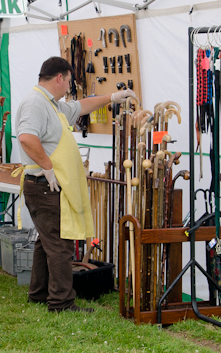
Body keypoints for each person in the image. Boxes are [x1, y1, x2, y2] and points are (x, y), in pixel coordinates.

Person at [16, 56, 136, 313]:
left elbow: (81, 106)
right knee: (60, 244)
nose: (69, 86)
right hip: (43, 185)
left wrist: (114, 97)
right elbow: (26, 138)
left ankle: (38, 294)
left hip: (49, 185)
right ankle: (61, 302)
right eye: (69, 80)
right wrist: (48, 169)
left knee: (45, 241)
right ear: (59, 77)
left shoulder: (53, 105)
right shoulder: (35, 103)